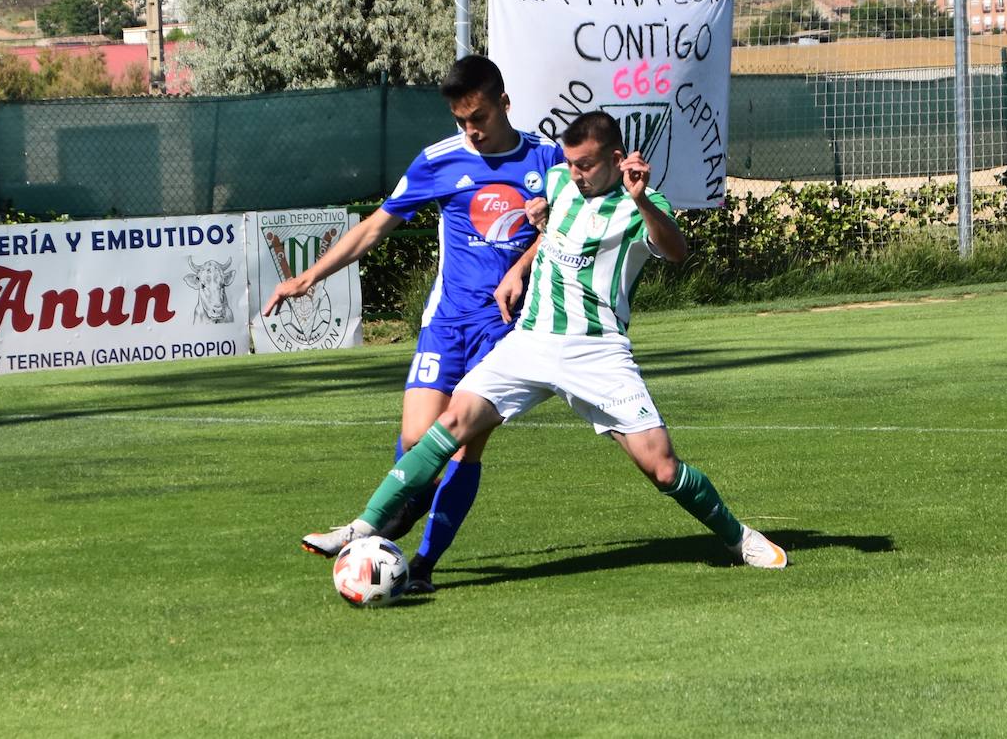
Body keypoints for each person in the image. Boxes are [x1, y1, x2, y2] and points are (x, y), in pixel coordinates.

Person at [302, 110, 789, 572]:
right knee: (449, 424)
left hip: (597, 351)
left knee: (662, 469)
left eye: (586, 164)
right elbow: (552, 222)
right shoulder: (558, 182)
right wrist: (526, 253)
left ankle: (738, 536)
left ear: (618, 160)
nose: (575, 173)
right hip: (530, 342)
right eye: (570, 163)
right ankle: (361, 527)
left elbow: (676, 251)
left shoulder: (642, 205)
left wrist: (641, 199)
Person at [264, 55, 564, 592]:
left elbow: (570, 227)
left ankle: (419, 564)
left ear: (504, 103)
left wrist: (525, 262)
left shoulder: (548, 159)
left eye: (479, 117)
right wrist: (308, 279)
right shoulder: (439, 161)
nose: (470, 130)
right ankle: (385, 530)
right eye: (461, 120)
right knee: (415, 437)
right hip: (445, 323)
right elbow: (376, 227)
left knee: (464, 445)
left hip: (505, 332)